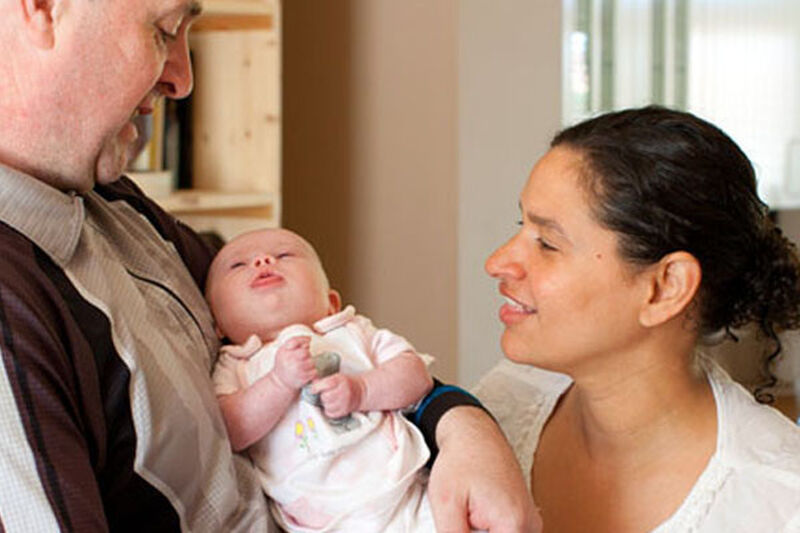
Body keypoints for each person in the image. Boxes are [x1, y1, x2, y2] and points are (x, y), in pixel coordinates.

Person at [0, 0, 537, 531]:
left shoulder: (116, 205)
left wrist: (464, 428)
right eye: (164, 30)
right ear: (42, 7)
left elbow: (333, 344)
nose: (182, 80)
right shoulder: (14, 311)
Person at [477, 105, 800, 532]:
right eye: (521, 225)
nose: (497, 262)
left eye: (548, 243)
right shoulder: (502, 404)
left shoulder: (778, 506)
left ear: (666, 287)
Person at [207, 228, 437, 531]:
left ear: (331, 303)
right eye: (238, 265)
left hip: (405, 488)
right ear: (217, 324)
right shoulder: (235, 364)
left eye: (284, 255)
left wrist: (362, 390)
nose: (263, 261)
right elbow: (230, 430)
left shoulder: (349, 330)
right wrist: (278, 382)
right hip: (324, 518)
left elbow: (416, 376)